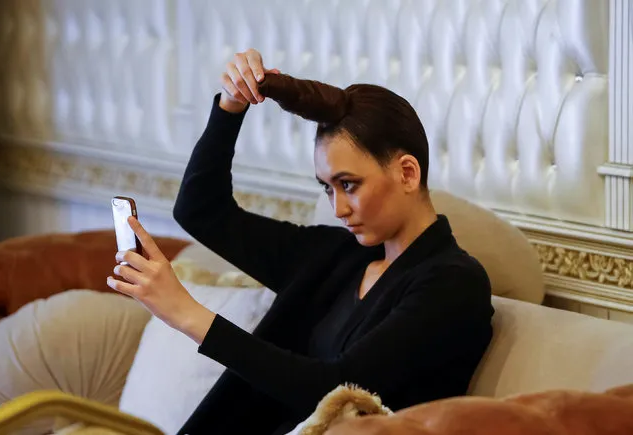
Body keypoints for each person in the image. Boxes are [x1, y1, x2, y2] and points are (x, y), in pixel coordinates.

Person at [107, 48, 495, 435]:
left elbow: (338, 390)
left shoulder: (454, 283)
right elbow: (200, 211)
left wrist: (186, 313)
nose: (338, 208)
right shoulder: (334, 256)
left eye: (349, 185)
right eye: (327, 189)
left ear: (408, 173)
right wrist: (231, 107)